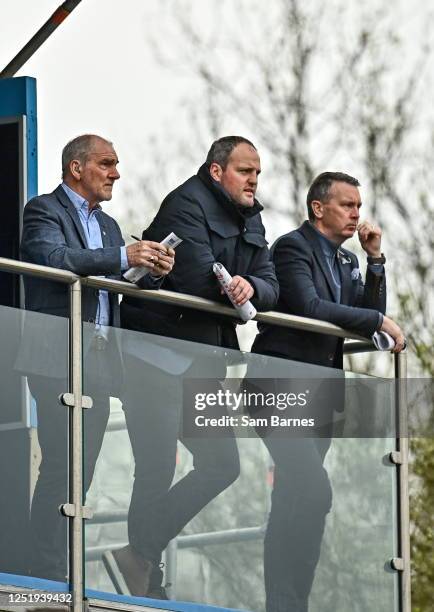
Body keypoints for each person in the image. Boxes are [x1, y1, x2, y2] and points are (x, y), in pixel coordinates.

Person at [105, 136, 279, 598]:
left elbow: (271, 280)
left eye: (257, 173)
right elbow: (200, 277)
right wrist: (235, 285)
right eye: (245, 172)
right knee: (156, 467)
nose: (253, 181)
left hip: (201, 362)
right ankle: (146, 575)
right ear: (217, 171)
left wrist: (252, 287)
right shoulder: (185, 203)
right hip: (151, 355)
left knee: (223, 464)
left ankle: (136, 553)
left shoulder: (252, 215)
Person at [18, 134, 174, 582]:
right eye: (106, 164)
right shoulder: (43, 210)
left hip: (101, 363)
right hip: (55, 356)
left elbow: (117, 273)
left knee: (80, 472)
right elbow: (54, 256)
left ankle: (64, 575)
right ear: (76, 168)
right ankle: (46, 579)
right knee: (60, 467)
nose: (116, 173)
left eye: (116, 164)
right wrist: (123, 254)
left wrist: (150, 270)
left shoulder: (106, 224)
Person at [251, 171, 405, 612]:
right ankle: (285, 600)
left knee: (297, 499)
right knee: (314, 491)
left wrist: (374, 260)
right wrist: (376, 323)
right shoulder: (291, 247)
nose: (357, 213)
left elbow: (368, 311)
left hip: (319, 394)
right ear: (318, 208)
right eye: (347, 205)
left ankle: (288, 602)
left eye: (359, 205)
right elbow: (310, 307)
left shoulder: (346, 260)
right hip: (276, 386)